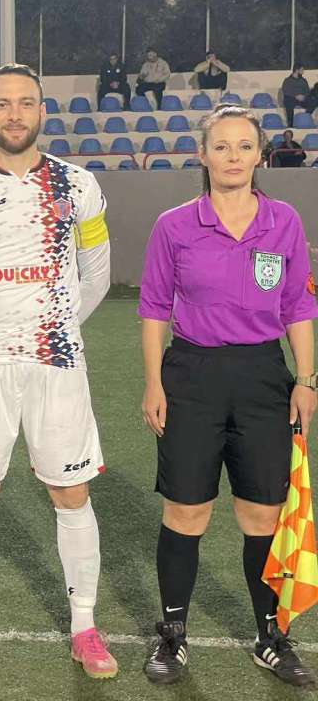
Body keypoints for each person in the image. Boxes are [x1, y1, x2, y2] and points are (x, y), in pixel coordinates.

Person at [0, 63, 116, 679]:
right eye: (2, 103)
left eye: (25, 103)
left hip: (55, 361)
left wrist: (52, 328)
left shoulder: (79, 185)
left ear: (41, 111)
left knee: (71, 492)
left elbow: (96, 275)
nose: (14, 114)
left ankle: (84, 627)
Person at [139, 104, 318, 687]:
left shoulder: (284, 221)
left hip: (264, 377)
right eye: (221, 146)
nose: (233, 156)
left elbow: (298, 305)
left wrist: (306, 379)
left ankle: (271, 636)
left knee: (261, 512)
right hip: (191, 376)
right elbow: (153, 309)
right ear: (203, 154)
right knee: (186, 510)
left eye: (244, 146)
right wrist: (154, 382)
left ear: (260, 154)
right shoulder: (174, 226)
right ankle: (172, 634)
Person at [281, 64, 310, 129]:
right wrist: (295, 96)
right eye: (302, 70)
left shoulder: (303, 80)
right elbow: (285, 91)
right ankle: (290, 125)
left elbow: (307, 91)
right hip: (292, 99)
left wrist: (303, 96)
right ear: (297, 70)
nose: (303, 72)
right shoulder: (287, 80)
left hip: (302, 99)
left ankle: (308, 121)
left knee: (313, 100)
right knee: (288, 100)